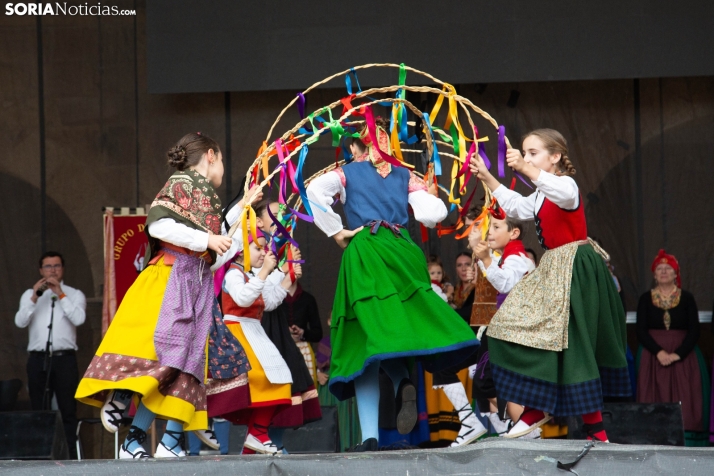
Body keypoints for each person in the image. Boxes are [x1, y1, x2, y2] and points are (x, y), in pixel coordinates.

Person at [306, 117, 479, 451]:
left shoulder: (346, 173)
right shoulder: (405, 176)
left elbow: (313, 191)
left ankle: (369, 437)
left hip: (367, 253)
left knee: (367, 336)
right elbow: (434, 214)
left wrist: (337, 231)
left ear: (355, 146)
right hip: (403, 252)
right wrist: (423, 191)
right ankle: (402, 383)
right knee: (396, 330)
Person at [75, 132, 249, 459]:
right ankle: (123, 395)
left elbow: (216, 256)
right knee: (154, 351)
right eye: (222, 159)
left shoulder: (207, 198)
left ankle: (138, 438)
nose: (223, 167)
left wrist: (237, 218)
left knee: (175, 368)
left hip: (192, 286)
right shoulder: (182, 183)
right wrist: (207, 241)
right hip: (168, 279)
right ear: (210, 154)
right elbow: (159, 227)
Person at [469, 128, 630, 441]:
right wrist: (488, 177)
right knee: (520, 332)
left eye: (533, 152)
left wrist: (524, 167)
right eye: (525, 152)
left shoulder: (566, 185)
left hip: (576, 269)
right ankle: (536, 409)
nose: (527, 158)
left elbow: (565, 195)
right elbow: (517, 208)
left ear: (555, 157)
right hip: (556, 269)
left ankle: (592, 430)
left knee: (573, 345)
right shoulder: (542, 192)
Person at [212, 229, 300, 454]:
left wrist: (287, 277)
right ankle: (256, 434)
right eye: (258, 248)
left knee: (281, 379)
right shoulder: (233, 274)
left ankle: (255, 438)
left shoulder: (251, 275)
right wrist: (266, 272)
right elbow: (242, 298)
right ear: (240, 252)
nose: (263, 253)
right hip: (236, 333)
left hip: (254, 332)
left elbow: (268, 302)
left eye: (264, 248)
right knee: (260, 380)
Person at [15, 251, 86, 458]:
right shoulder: (30, 294)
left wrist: (61, 294)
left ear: (63, 269)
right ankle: (39, 455)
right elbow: (20, 322)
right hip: (38, 359)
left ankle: (72, 457)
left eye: (56, 266)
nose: (52, 270)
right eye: (48, 266)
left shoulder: (74, 294)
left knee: (68, 409)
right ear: (40, 270)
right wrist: (35, 296)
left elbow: (79, 319)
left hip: (65, 359)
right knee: (39, 409)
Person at [470, 213, 536, 437]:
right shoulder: (507, 256)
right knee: (488, 384)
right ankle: (516, 428)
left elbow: (506, 284)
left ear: (514, 233)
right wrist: (481, 253)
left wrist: (486, 259)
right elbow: (495, 271)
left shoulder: (518, 257)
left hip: (509, 331)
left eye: (496, 227)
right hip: (502, 328)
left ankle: (527, 431)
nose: (490, 232)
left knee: (486, 383)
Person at [636, 249, 709, 446]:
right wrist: (659, 352)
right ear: (654, 274)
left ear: (676, 274)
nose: (664, 272)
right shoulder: (645, 299)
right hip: (653, 357)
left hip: (684, 358)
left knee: (686, 397)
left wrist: (677, 354)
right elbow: (641, 330)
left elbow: (694, 330)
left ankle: (688, 442)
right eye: (660, 268)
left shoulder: (687, 299)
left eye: (668, 269)